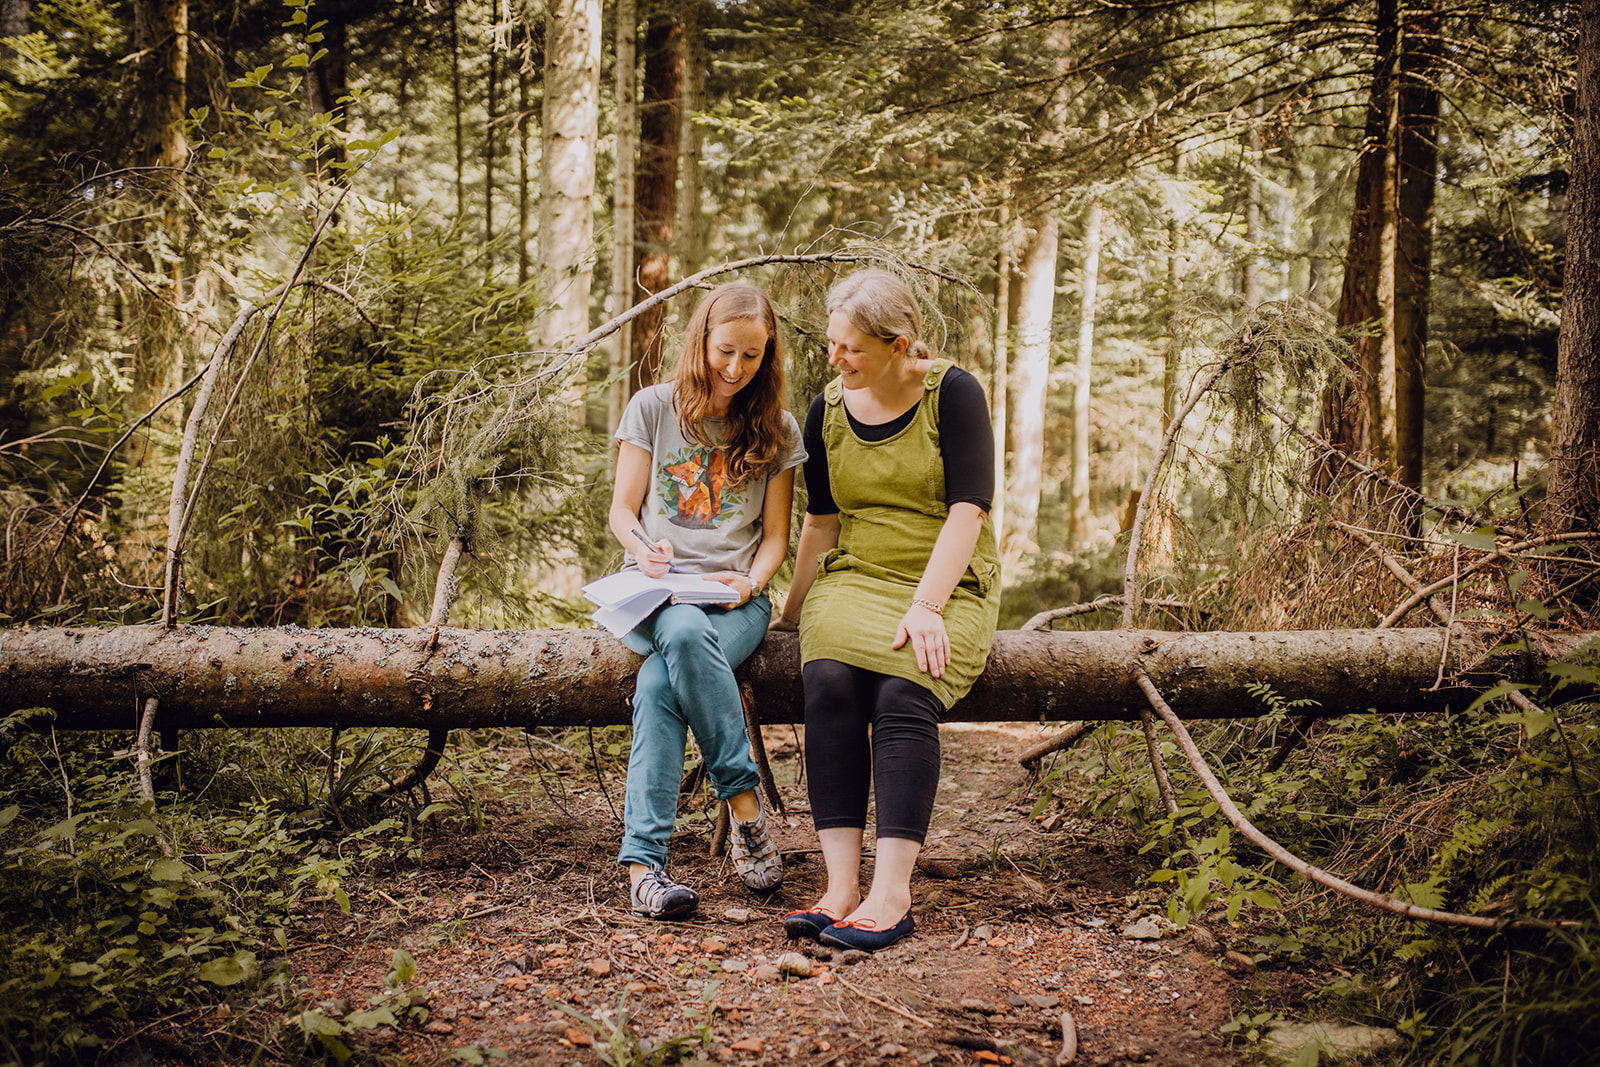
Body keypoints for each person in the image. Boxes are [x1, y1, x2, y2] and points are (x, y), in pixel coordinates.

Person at [771, 268, 1000, 952]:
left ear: (900, 345)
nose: (834, 359)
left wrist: (928, 605)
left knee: (903, 690)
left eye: (851, 349)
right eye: (832, 343)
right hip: (855, 575)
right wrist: (791, 617)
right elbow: (820, 524)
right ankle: (841, 886)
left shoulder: (953, 394)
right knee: (830, 681)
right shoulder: (826, 410)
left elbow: (969, 510)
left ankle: (891, 892)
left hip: (947, 579)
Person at [607, 282, 806, 920]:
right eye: (725, 351)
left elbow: (776, 538)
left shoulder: (777, 429)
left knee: (663, 685)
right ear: (701, 341)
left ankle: (643, 870)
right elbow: (622, 512)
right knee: (682, 632)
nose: (735, 369)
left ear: (767, 354)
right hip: (655, 595)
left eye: (752, 356)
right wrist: (642, 548)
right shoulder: (652, 408)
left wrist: (751, 584)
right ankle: (745, 805)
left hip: (735, 601)